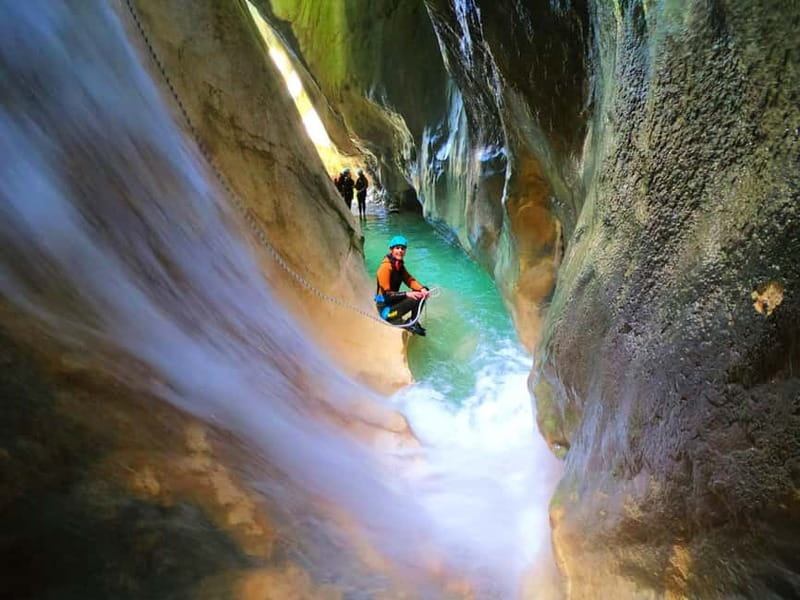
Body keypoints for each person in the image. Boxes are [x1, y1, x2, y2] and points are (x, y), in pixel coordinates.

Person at [374, 235, 430, 336]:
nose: (400, 251)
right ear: (391, 250)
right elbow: (388, 295)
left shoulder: (399, 266)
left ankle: (413, 322)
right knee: (414, 298)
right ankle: (410, 324)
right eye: (397, 248)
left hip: (393, 303)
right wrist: (407, 294)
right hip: (386, 312)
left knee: (421, 293)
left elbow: (409, 280)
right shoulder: (385, 268)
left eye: (403, 248)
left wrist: (422, 289)